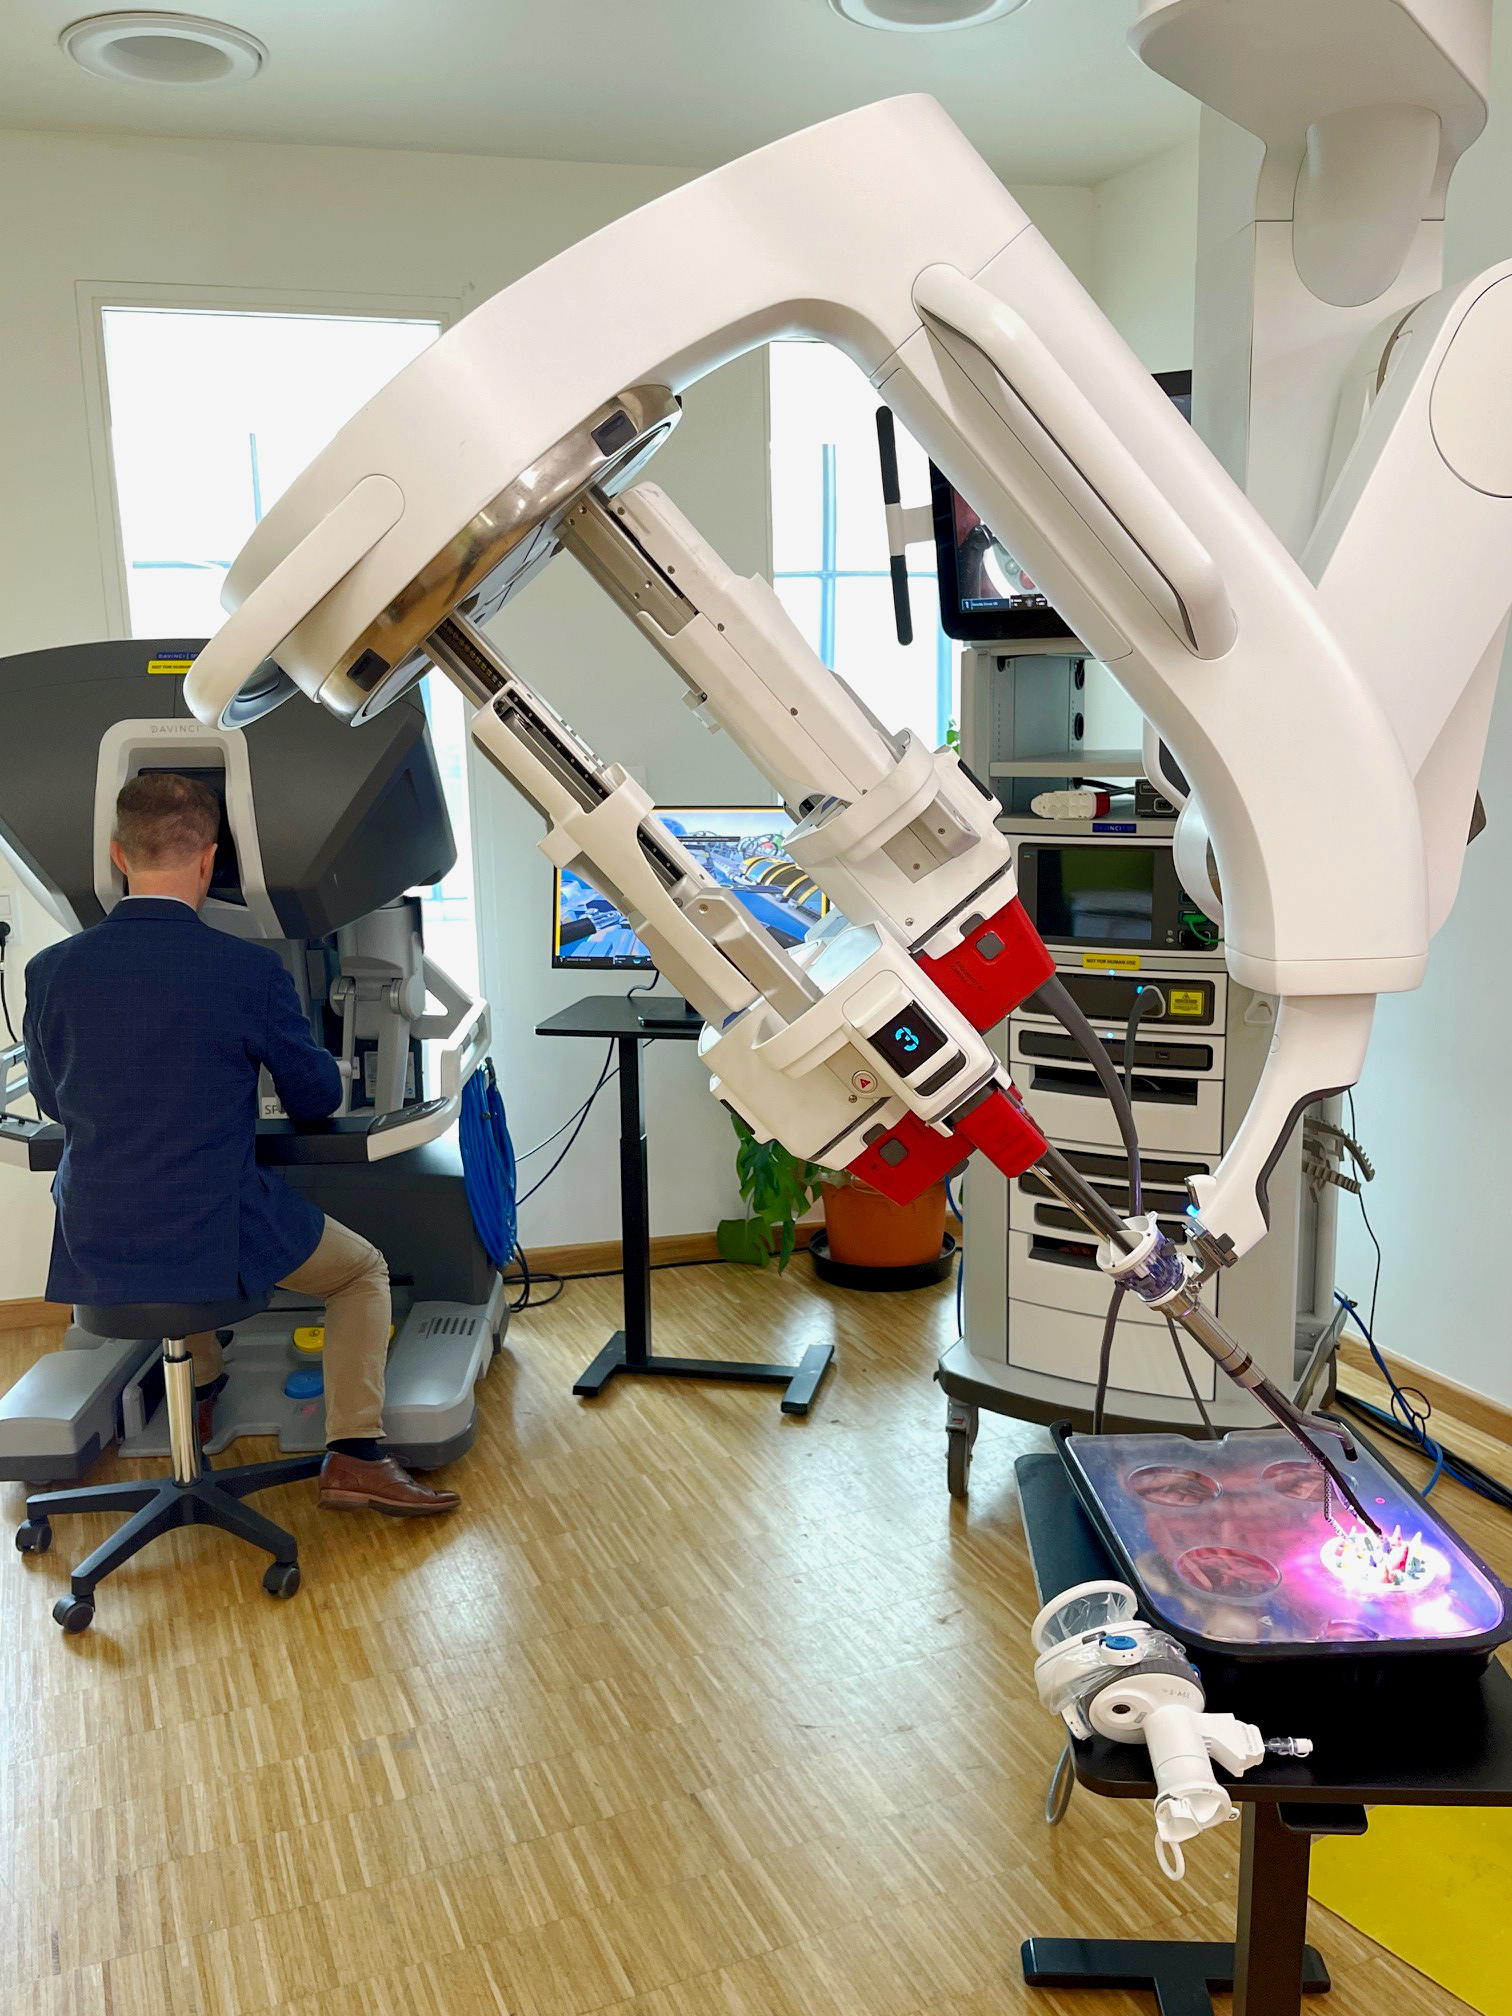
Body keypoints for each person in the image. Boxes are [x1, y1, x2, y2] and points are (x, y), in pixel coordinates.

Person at [22, 772, 458, 1517]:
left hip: (94, 1233)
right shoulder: (247, 970)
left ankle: (201, 1384)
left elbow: (52, 1098)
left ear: (119, 856)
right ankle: (355, 1457)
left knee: (168, 1240)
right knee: (361, 1273)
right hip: (208, 1225)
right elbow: (316, 1098)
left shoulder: (50, 971)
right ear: (209, 859)